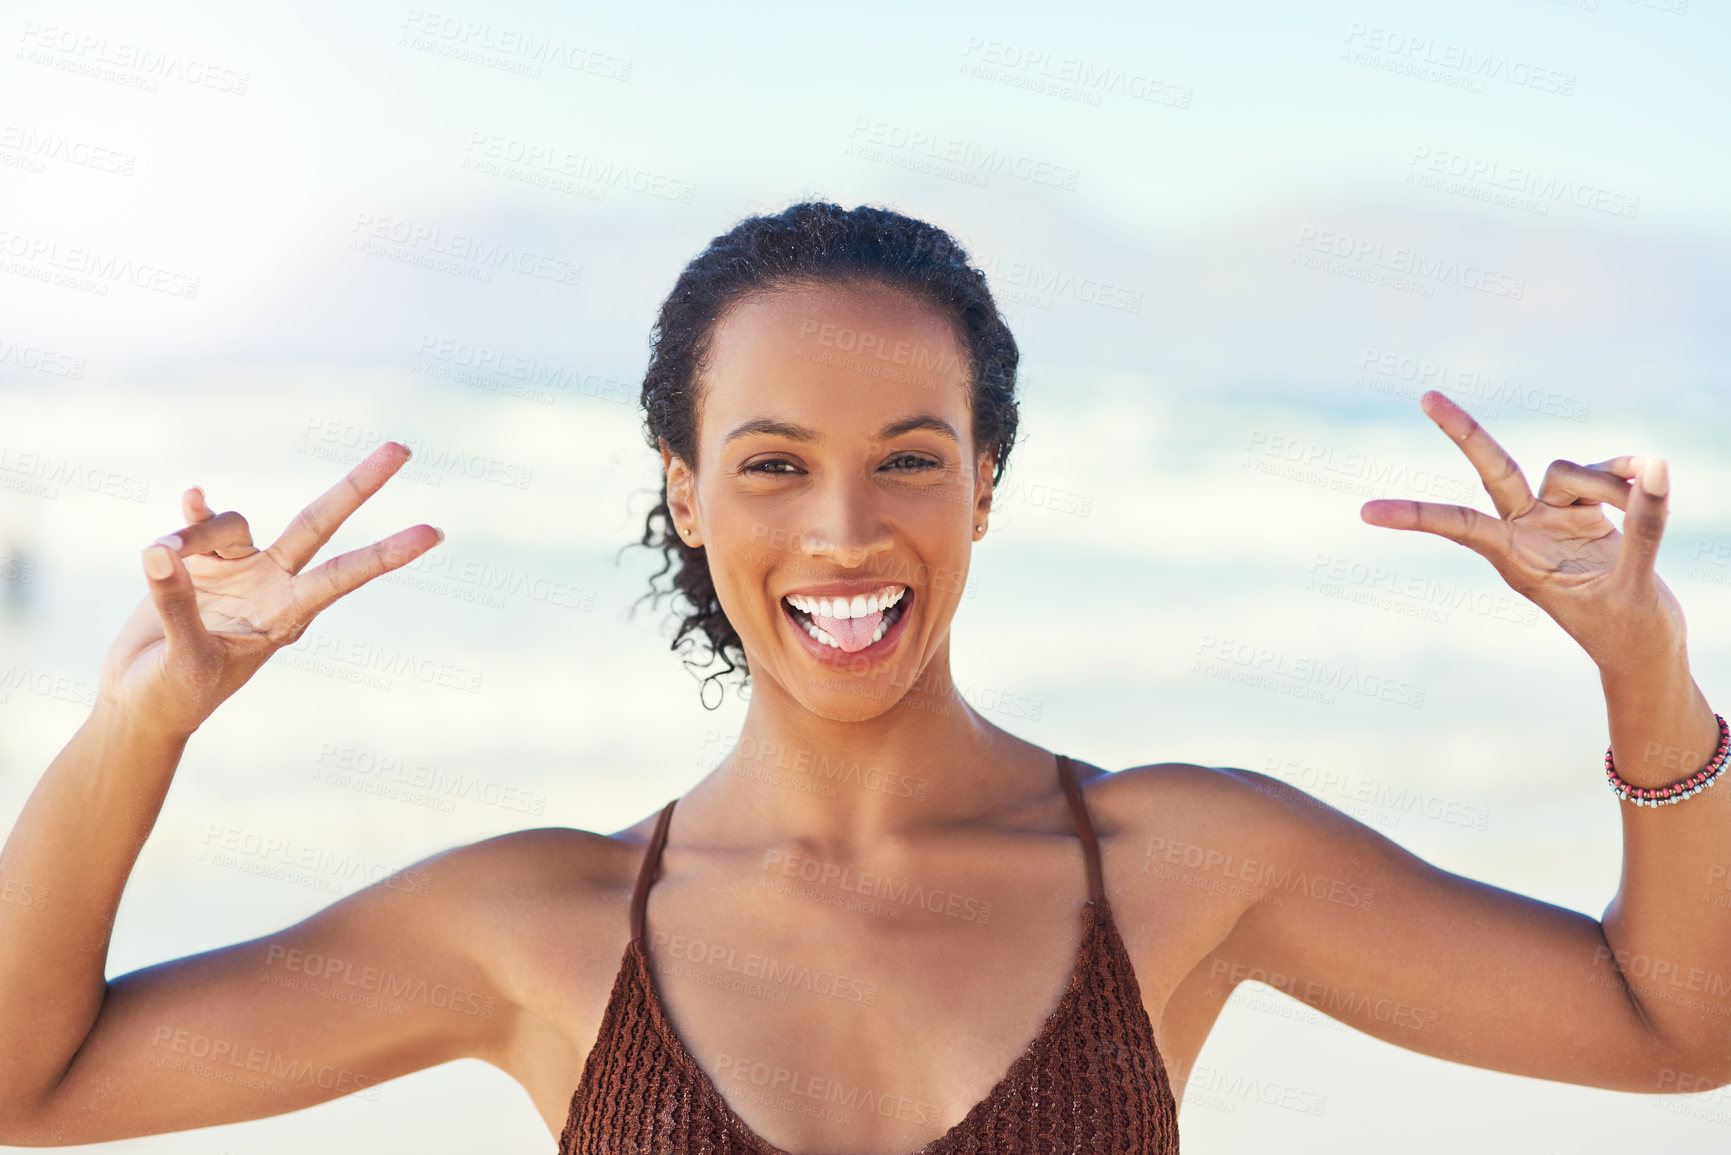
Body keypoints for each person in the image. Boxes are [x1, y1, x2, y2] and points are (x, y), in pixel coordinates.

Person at [0, 202, 1726, 1154]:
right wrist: (142, 721)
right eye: (769, 464)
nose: (843, 530)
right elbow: (30, 1087)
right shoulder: (535, 927)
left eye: (910, 457)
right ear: (683, 493)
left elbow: (1678, 1033)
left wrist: (1642, 662)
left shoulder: (1189, 866)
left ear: (987, 482)